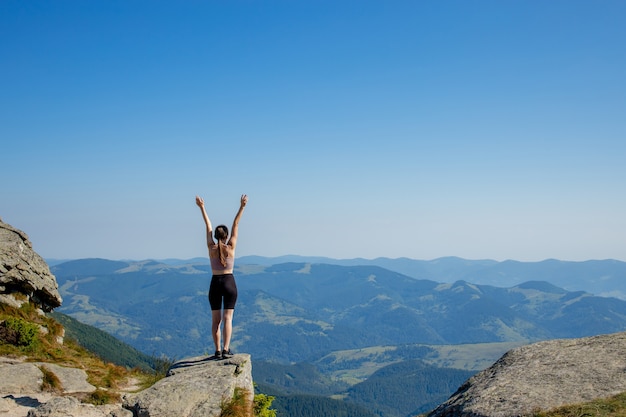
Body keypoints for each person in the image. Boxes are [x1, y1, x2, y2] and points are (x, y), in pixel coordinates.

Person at [195, 194, 248, 359]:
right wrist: (242, 206)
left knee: (215, 320)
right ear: (226, 236)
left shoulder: (211, 248)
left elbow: (208, 226)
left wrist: (202, 207)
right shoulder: (231, 247)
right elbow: (236, 224)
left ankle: (217, 350)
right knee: (228, 318)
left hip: (215, 283)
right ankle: (226, 349)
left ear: (216, 236)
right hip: (229, 282)